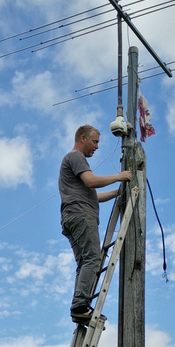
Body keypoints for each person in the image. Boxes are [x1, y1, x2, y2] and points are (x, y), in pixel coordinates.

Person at [59, 125, 131, 322]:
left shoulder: (72, 162)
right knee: (92, 259)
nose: (97, 147)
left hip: (72, 215)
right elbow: (91, 182)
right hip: (81, 215)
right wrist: (120, 176)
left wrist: (118, 191)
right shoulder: (75, 157)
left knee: (85, 262)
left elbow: (93, 196)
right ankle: (80, 306)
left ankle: (79, 307)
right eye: (95, 142)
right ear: (83, 138)